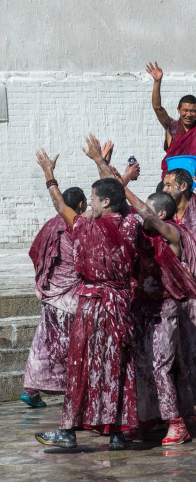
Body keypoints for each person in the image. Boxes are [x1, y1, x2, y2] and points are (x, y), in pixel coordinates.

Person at [34, 137, 139, 450]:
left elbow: (59, 205)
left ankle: (68, 431)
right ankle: (118, 433)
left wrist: (50, 176)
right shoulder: (132, 222)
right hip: (120, 304)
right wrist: (101, 163)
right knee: (118, 367)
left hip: (93, 305)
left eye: (94, 198)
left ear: (105, 202)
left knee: (81, 367)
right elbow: (120, 194)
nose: (90, 203)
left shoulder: (84, 227)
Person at [130, 191, 196, 446]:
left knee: (161, 366)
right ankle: (149, 416)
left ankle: (176, 423)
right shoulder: (144, 237)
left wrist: (121, 183)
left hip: (164, 308)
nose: (141, 215)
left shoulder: (172, 233)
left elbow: (144, 213)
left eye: (147, 210)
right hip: (142, 305)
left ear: (160, 214)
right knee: (141, 365)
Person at [21, 188, 87, 409]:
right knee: (73, 347)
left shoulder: (50, 224)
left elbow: (35, 253)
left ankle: (31, 389)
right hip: (71, 297)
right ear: (79, 205)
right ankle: (77, 392)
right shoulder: (76, 226)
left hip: (51, 294)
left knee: (44, 345)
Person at [162, 168, 196, 418]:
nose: (164, 189)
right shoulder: (165, 212)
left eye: (168, 184)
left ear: (183, 186)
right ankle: (179, 403)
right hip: (173, 287)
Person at [146, 61, 196, 179]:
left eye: (192, 111)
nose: (188, 114)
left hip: (195, 180)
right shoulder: (173, 127)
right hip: (172, 180)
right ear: (178, 110)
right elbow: (157, 108)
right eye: (185, 110)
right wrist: (157, 82)